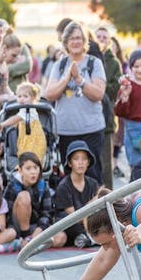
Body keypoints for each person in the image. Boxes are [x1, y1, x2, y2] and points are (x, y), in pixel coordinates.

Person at [44, 20, 106, 182]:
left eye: (79, 38)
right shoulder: (59, 65)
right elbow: (49, 94)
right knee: (70, 179)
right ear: (65, 42)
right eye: (71, 38)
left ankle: (96, 207)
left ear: (85, 41)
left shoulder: (94, 63)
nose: (75, 42)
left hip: (91, 130)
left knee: (93, 177)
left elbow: (98, 94)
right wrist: (66, 78)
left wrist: (79, 79)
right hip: (66, 132)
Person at [54, 140, 101, 247]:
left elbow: (97, 211)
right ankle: (90, 237)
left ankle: (89, 238)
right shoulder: (63, 186)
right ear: (70, 163)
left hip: (90, 223)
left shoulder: (93, 183)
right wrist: (93, 202)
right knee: (67, 220)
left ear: (88, 162)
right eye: (76, 159)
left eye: (84, 159)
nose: (80, 162)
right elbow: (75, 217)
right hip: (74, 224)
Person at [95, 24, 125, 186]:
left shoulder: (114, 63)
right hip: (88, 119)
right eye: (98, 37)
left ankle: (108, 199)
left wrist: (97, 87)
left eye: (104, 37)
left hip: (106, 117)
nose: (101, 40)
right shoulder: (89, 60)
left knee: (106, 164)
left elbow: (115, 89)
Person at [6, 152, 54, 246]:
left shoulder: (43, 185)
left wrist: (39, 230)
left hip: (35, 226)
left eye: (35, 168)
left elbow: (47, 213)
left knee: (61, 237)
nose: (33, 172)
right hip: (17, 227)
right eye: (28, 168)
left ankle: (33, 242)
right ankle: (25, 238)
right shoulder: (13, 185)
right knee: (24, 196)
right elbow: (7, 213)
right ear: (20, 170)